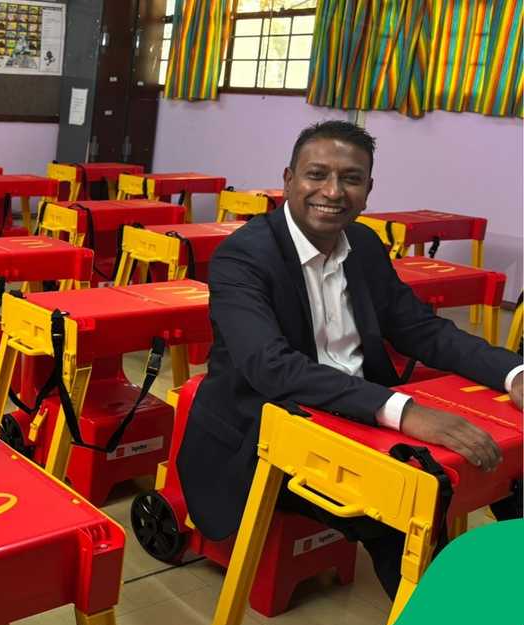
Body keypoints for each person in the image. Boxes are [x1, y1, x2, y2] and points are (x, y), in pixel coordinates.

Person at [177, 120, 523, 598]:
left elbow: (420, 329)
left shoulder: (363, 246)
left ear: (369, 189)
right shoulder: (243, 257)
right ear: (288, 180)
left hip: (361, 415)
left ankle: (500, 599)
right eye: (316, 174)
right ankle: (447, 609)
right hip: (268, 428)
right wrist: (404, 411)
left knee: (514, 469)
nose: (332, 191)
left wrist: (513, 372)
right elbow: (270, 367)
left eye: (351, 178)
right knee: (405, 512)